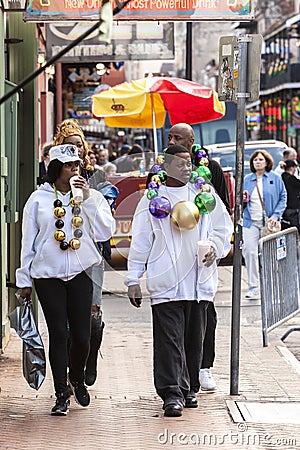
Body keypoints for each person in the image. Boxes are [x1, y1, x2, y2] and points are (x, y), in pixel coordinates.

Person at [125, 145, 233, 417]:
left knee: (192, 340)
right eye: (181, 164)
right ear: (167, 166)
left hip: (198, 281)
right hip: (166, 282)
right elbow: (140, 240)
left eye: (189, 163)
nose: (188, 168)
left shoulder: (205, 194)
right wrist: (133, 278)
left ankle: (189, 388)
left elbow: (223, 227)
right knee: (169, 339)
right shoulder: (153, 199)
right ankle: (171, 392)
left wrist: (215, 249)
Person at [15, 144, 115, 416]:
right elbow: (28, 242)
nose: (75, 170)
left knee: (82, 336)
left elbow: (106, 230)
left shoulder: (89, 196)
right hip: (48, 275)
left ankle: (78, 377)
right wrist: (24, 279)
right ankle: (61, 393)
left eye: (77, 166)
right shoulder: (38, 200)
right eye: (70, 166)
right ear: (56, 169)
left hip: (81, 272)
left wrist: (89, 198)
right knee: (59, 333)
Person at [167, 122, 231, 392]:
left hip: (201, 256)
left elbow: (221, 208)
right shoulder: (161, 169)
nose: (172, 140)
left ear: (191, 141)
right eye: (169, 136)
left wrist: (216, 244)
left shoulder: (210, 168)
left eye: (177, 137)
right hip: (173, 257)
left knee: (206, 317)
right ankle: (178, 373)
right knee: (175, 319)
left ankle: (204, 367)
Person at [52, 119, 105, 387]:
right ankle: (73, 374)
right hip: (63, 253)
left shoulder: (96, 175)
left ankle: (88, 361)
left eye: (79, 146)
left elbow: (106, 217)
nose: (77, 151)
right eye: (70, 146)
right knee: (68, 321)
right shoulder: (53, 178)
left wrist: (90, 194)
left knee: (93, 315)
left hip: (91, 254)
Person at [243, 149, 287, 299]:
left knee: (270, 255)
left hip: (269, 224)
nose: (258, 162)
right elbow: (238, 199)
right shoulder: (247, 179)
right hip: (250, 222)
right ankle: (253, 287)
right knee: (250, 252)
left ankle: (271, 285)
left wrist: (276, 215)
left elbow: (283, 197)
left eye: (261, 160)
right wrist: (242, 201)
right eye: (255, 160)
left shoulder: (275, 178)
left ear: (267, 162)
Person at [281, 159, 300, 232]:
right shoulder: (292, 179)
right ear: (292, 168)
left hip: (285, 208)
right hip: (293, 209)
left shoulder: (282, 177)